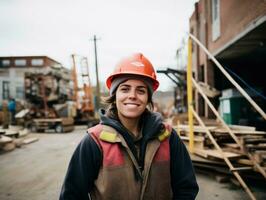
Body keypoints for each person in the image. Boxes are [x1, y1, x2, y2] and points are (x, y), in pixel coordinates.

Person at [60, 53, 199, 200]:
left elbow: (186, 187)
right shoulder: (94, 142)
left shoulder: (167, 137)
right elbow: (72, 195)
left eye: (141, 90)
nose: (132, 95)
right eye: (125, 89)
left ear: (148, 98)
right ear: (115, 95)